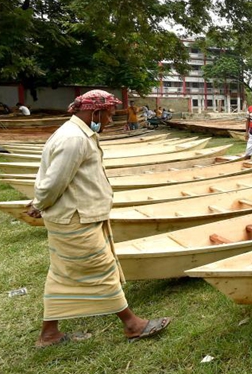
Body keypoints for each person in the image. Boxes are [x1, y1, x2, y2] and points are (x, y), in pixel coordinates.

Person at [25, 90, 170, 347]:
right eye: (109, 115)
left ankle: (49, 334)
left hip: (75, 215)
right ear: (95, 113)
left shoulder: (78, 133)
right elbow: (53, 182)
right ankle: (132, 324)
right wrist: (39, 203)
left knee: (63, 273)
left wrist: (41, 203)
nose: (110, 120)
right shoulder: (74, 139)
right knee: (101, 269)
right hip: (75, 218)